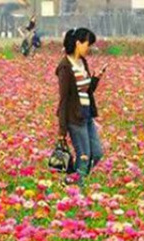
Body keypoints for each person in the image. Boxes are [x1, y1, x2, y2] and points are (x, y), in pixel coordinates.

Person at [56, 28, 105, 185]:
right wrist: (62, 131)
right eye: (87, 44)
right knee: (84, 155)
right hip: (74, 118)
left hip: (87, 115)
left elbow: (87, 91)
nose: (88, 48)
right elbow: (63, 99)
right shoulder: (65, 67)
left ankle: (73, 180)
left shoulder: (82, 62)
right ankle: (77, 189)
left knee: (96, 153)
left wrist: (96, 78)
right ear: (78, 43)